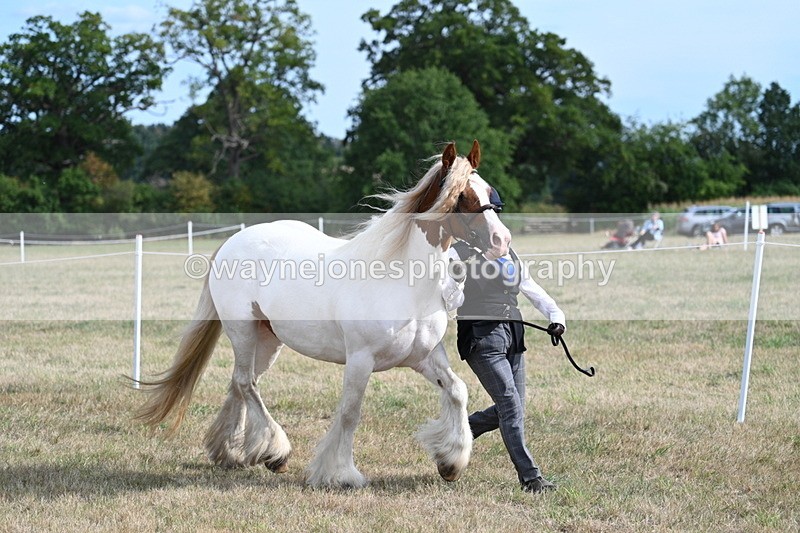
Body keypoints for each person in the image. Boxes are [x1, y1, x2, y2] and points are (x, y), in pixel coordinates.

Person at [448, 238, 566, 495]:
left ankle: (457, 431)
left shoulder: (509, 253)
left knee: (514, 408)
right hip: (482, 338)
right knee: (510, 406)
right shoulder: (458, 252)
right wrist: (457, 280)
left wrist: (556, 317)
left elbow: (531, 287)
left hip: (513, 336)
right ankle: (531, 478)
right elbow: (449, 300)